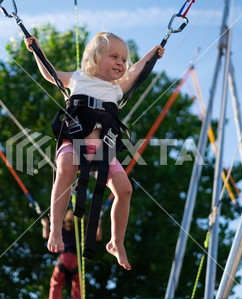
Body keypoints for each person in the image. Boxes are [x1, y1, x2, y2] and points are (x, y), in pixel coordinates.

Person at [26, 32, 164, 271]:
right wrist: (37, 51)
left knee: (125, 189)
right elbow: (51, 74)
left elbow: (137, 71)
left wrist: (153, 54)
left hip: (103, 153)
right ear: (95, 57)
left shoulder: (118, 88)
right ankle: (56, 229)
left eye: (124, 59)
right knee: (66, 170)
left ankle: (116, 242)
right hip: (74, 143)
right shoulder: (79, 78)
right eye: (114, 56)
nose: (121, 63)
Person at [41, 209, 102, 299]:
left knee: (56, 284)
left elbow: (46, 235)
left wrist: (46, 225)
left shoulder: (61, 230)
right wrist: (98, 224)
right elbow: (98, 237)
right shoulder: (83, 232)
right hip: (76, 261)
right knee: (77, 287)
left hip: (63, 258)